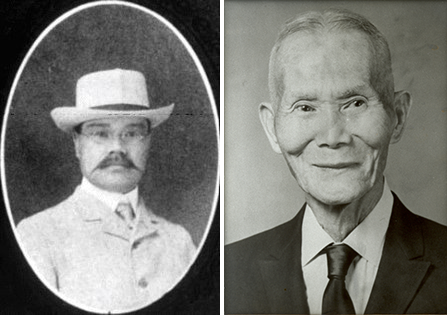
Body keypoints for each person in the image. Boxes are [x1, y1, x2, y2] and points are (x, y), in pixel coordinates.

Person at [225, 8, 447, 314]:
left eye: (355, 103)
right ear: (271, 127)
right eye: (305, 107)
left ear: (397, 116)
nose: (332, 136)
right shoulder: (225, 275)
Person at [16, 68, 196, 312]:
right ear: (77, 144)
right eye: (100, 133)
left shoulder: (179, 241)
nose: (117, 148)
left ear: (149, 141)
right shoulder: (38, 236)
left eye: (132, 133)